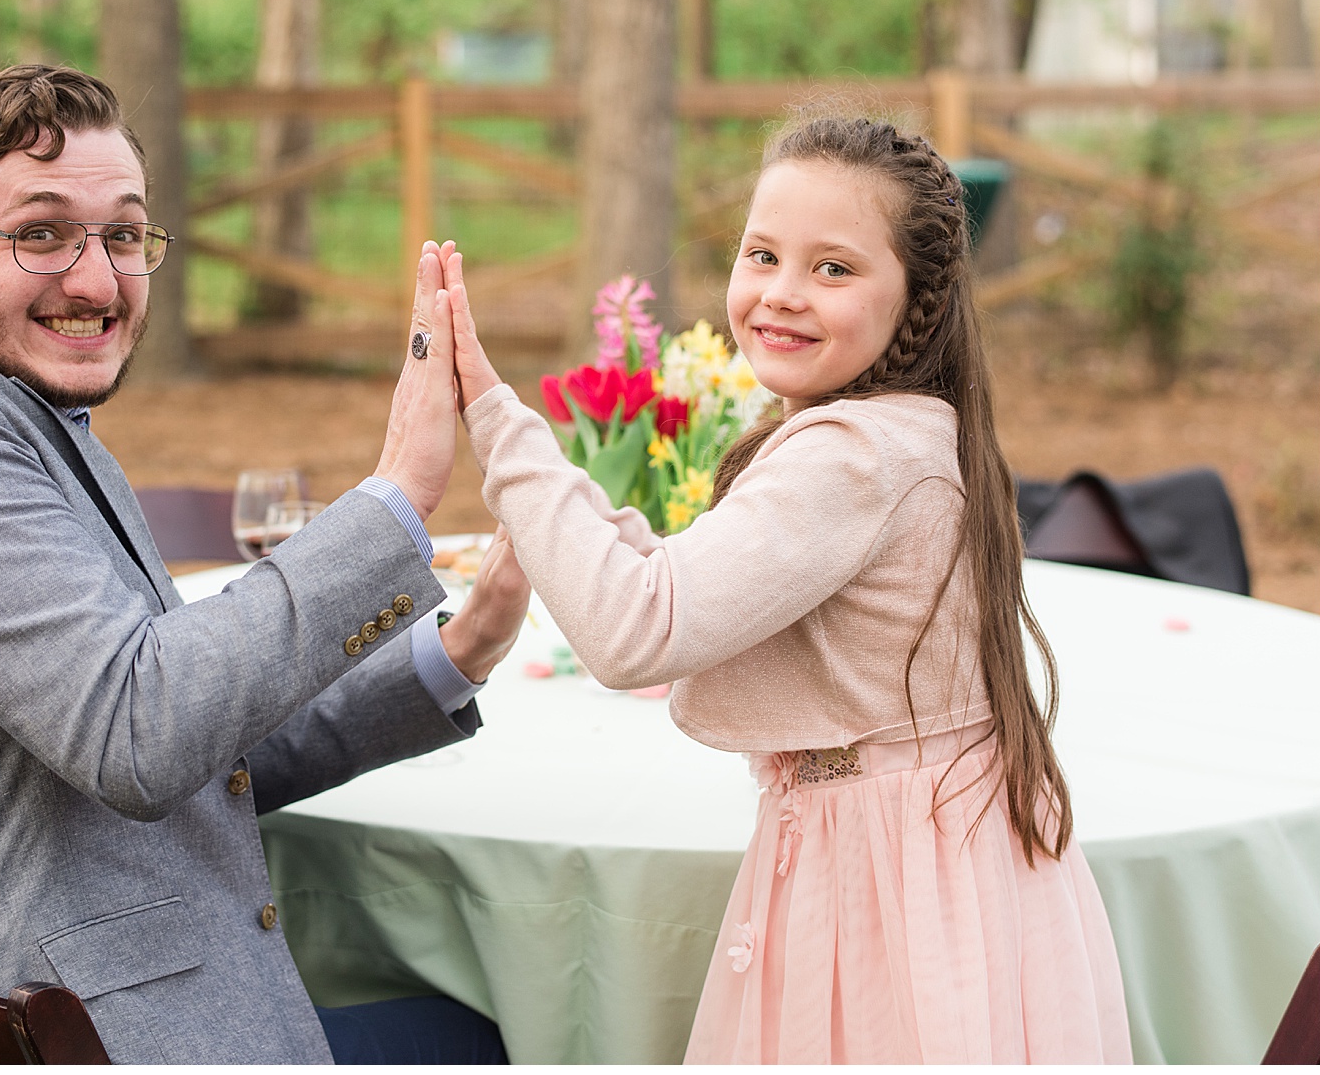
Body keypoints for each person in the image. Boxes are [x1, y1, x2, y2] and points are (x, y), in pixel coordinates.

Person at [0, 64, 528, 1064]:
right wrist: (394, 494)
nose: (95, 281)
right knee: (530, 1027)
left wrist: (464, 645)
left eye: (123, 235)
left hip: (71, 997)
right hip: (30, 1032)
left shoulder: (11, 399)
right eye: (40, 233)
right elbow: (143, 728)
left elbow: (203, 737)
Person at [442, 116, 1132, 1063]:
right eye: (761, 254)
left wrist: (496, 423)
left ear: (917, 300)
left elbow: (635, 629)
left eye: (834, 269)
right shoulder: (912, 429)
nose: (780, 295)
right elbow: (688, 581)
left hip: (883, 893)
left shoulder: (852, 455)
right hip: (944, 867)